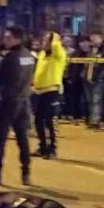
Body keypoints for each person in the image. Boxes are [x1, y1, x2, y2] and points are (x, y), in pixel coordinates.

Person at [0, 25, 35, 186]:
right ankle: (26, 173)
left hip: (8, 101)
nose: (5, 40)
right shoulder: (29, 56)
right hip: (23, 100)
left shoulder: (9, 58)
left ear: (17, 38)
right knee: (22, 139)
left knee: (1, 139)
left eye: (8, 37)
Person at [32, 30, 67, 158]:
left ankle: (53, 149)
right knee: (38, 120)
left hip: (53, 91)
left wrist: (53, 38)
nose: (43, 42)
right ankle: (43, 147)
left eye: (46, 40)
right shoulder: (42, 54)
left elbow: (56, 45)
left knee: (51, 121)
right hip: (39, 91)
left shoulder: (59, 54)